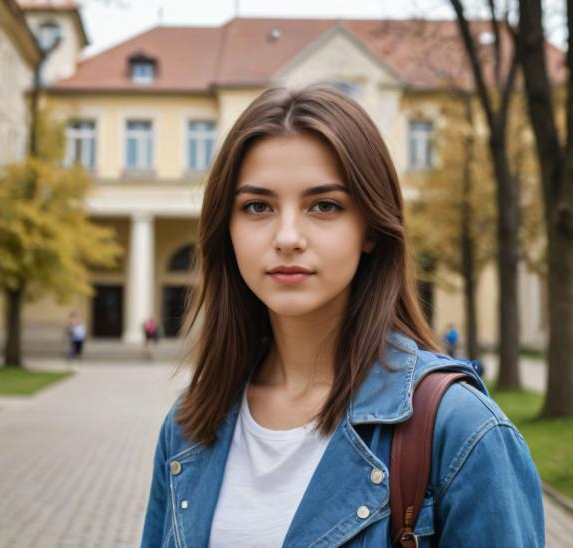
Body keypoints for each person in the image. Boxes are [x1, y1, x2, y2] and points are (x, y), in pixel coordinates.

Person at [139, 84, 544, 547]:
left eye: (324, 205)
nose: (287, 236)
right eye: (257, 206)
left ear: (370, 228)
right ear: (226, 230)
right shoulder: (189, 427)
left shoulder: (461, 430)